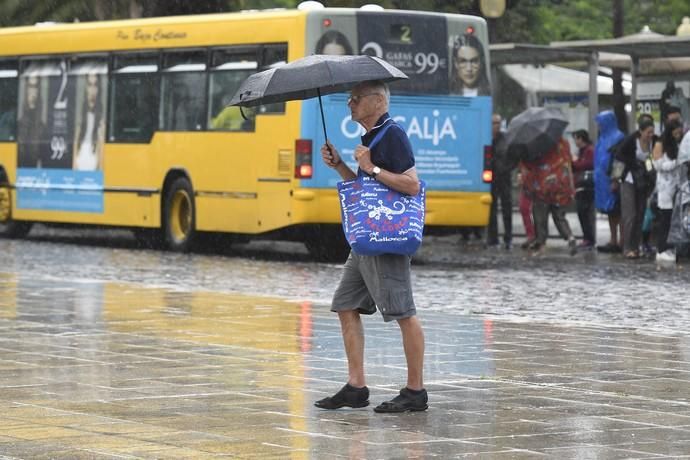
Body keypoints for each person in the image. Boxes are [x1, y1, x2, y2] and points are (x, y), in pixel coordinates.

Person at [315, 80, 427, 413]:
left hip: (385, 240)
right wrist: (340, 165)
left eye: (356, 98)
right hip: (365, 239)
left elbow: (411, 185)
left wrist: (372, 167)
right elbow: (367, 189)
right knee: (345, 305)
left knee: (403, 313)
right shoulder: (371, 137)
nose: (350, 103)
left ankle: (415, 391)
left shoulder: (393, 134)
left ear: (378, 101)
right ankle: (355, 386)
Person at [615, 117, 655, 259]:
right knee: (629, 214)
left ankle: (635, 246)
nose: (650, 135)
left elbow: (650, 160)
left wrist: (650, 171)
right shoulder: (631, 141)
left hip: (643, 182)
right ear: (641, 131)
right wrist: (634, 163)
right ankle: (627, 248)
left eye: (652, 132)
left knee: (640, 214)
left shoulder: (653, 142)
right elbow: (619, 155)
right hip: (629, 180)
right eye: (648, 132)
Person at [652, 119, 684, 262]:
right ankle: (661, 248)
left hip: (676, 186)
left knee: (673, 219)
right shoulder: (660, 144)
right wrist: (675, 163)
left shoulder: (677, 144)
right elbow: (658, 165)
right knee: (664, 219)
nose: (678, 135)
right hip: (665, 187)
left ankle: (670, 246)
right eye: (676, 133)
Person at [593, 111, 625, 254]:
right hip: (603, 181)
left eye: (601, 123)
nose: (599, 126)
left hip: (613, 180)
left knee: (619, 210)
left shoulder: (618, 137)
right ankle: (613, 239)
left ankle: (622, 240)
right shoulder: (602, 138)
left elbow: (619, 160)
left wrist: (615, 179)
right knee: (610, 212)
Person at [486, 113, 513, 249]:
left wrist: (507, 167)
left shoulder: (506, 139)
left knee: (507, 208)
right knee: (492, 208)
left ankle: (508, 237)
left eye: (498, 123)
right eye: (493, 123)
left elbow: (512, 157)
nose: (495, 126)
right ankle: (493, 238)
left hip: (504, 177)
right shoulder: (486, 138)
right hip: (491, 178)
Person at [72, 72, 105, 171]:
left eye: (95, 85)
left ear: (99, 90)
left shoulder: (101, 124)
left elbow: (101, 165)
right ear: (86, 89)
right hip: (79, 174)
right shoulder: (80, 122)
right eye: (90, 85)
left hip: (93, 175)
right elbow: (74, 164)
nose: (92, 90)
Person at [572, 130, 596, 249]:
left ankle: (589, 238)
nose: (575, 141)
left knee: (584, 212)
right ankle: (587, 237)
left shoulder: (589, 150)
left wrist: (575, 162)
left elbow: (586, 164)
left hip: (586, 186)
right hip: (580, 185)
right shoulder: (582, 151)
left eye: (576, 138)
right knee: (582, 212)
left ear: (581, 139)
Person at [17, 74, 46, 168]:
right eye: (30, 87)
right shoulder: (18, 125)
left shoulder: (42, 128)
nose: (32, 93)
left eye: (35, 87)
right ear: (26, 90)